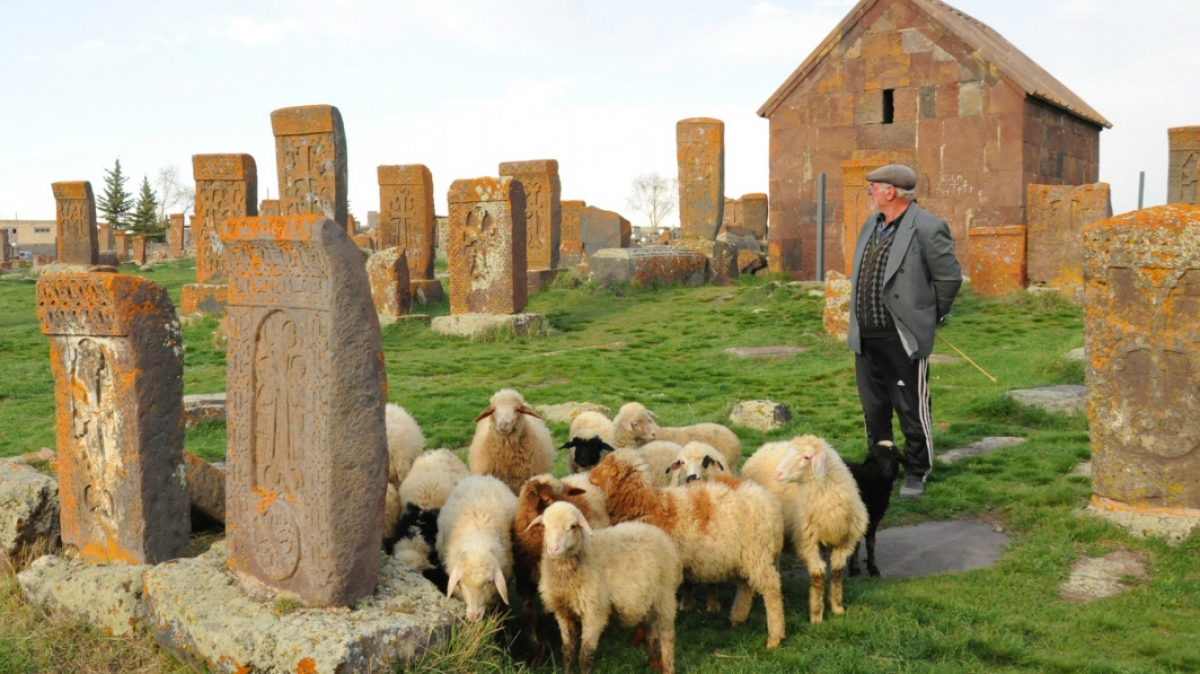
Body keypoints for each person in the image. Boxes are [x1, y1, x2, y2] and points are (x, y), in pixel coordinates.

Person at [847, 164, 962, 500]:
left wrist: (927, 318)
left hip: (902, 339)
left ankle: (916, 471)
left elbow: (949, 279)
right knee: (874, 409)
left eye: (873, 187)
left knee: (911, 408)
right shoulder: (872, 224)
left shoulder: (927, 227)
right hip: (866, 336)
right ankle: (881, 465)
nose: (868, 193)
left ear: (891, 192)